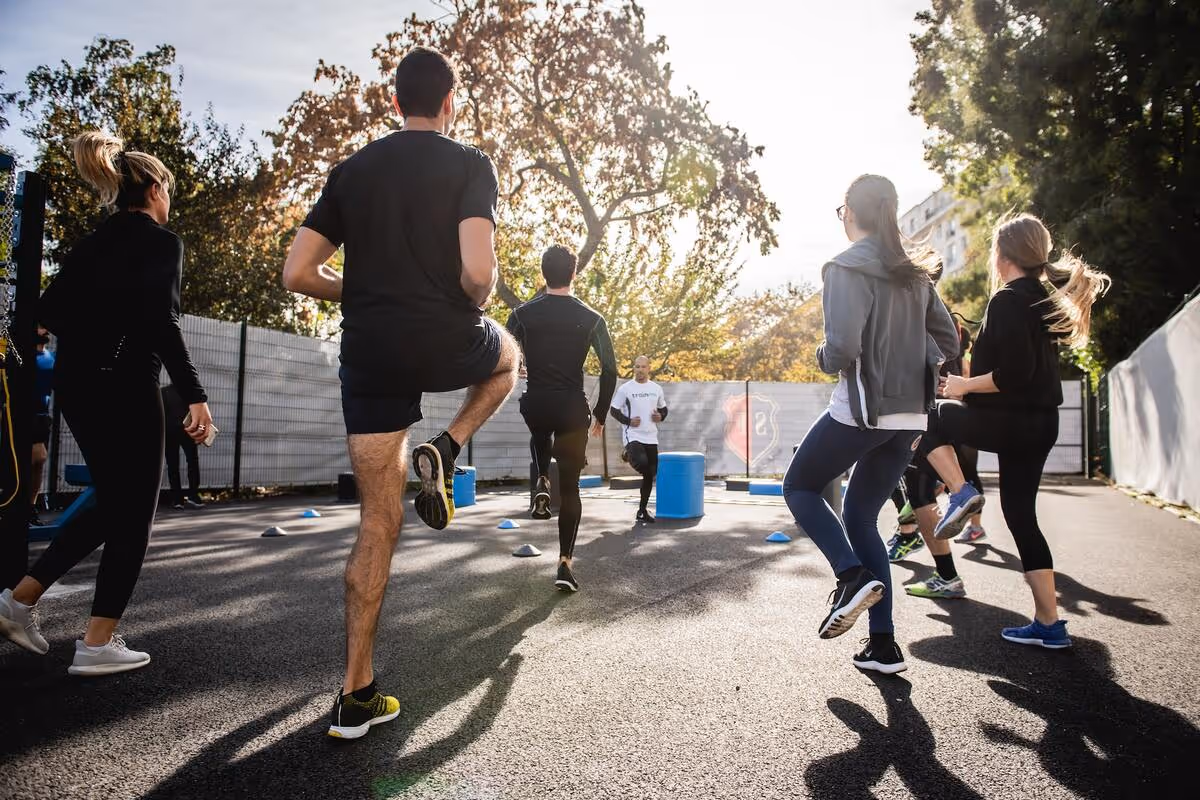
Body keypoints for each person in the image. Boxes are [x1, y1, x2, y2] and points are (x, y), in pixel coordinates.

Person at [281, 46, 519, 739]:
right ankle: (448, 444)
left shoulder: (351, 172)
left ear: (394, 104)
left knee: (376, 525)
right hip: (447, 338)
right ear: (450, 104)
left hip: (371, 353)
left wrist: (358, 290)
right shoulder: (470, 164)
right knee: (508, 359)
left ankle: (356, 694)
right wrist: (471, 296)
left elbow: (298, 272)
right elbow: (479, 272)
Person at [0, 131, 213, 676]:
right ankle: (96, 643)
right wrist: (195, 395)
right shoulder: (162, 243)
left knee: (113, 500)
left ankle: (18, 600)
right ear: (155, 189)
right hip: (125, 385)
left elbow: (48, 310)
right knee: (134, 513)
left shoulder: (93, 244)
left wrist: (101, 322)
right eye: (170, 190)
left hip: (79, 387)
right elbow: (162, 322)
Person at [781, 174, 959, 675]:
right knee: (860, 517)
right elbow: (949, 343)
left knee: (798, 485)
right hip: (909, 417)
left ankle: (850, 574)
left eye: (840, 211)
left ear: (851, 214)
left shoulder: (843, 267)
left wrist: (821, 354)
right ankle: (883, 646)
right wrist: (914, 374)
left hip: (863, 410)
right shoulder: (916, 274)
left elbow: (841, 349)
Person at [920, 213, 1110, 649]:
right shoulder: (1044, 298)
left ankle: (961, 491)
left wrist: (966, 385)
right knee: (1021, 517)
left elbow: (1015, 373)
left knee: (929, 418)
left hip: (1013, 421)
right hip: (1040, 423)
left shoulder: (1007, 299)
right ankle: (1049, 623)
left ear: (1002, 255)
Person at [506, 245, 618, 592]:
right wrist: (600, 414)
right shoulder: (593, 318)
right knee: (570, 490)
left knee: (539, 429)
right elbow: (610, 371)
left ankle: (541, 477)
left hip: (537, 402)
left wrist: (520, 367)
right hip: (572, 408)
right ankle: (565, 564)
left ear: (543, 273)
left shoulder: (522, 314)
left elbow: (503, 355)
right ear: (574, 273)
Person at [610, 356, 668, 524]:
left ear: (649, 368)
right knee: (642, 464)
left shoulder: (656, 388)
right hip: (633, 435)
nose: (640, 370)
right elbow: (614, 410)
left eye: (643, 367)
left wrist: (660, 416)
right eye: (637, 367)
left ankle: (642, 511)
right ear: (634, 368)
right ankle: (629, 452)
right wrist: (628, 421)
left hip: (651, 436)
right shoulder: (625, 389)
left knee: (651, 473)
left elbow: (663, 409)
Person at [161, 383, 203, 509]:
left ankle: (177, 500)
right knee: (193, 462)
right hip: (188, 432)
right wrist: (200, 431)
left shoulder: (164, 392)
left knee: (173, 466)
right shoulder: (191, 390)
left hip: (170, 433)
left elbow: (161, 414)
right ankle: (193, 496)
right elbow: (199, 414)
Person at [29, 326, 54, 526]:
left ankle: (30, 507)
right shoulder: (19, 356)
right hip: (21, 416)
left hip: (42, 417)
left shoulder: (50, 357)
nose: (45, 330)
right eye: (40, 327)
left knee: (38, 465)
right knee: (36, 457)